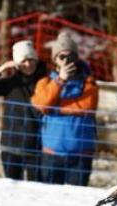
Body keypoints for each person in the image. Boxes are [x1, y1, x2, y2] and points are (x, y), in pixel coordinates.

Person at [0, 40, 47, 181]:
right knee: (12, 190)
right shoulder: (10, 83)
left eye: (31, 59)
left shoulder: (44, 82)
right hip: (11, 147)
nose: (28, 64)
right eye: (24, 60)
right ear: (17, 63)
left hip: (37, 148)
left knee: (38, 192)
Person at [31, 31, 98, 186]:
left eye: (71, 56)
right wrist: (60, 80)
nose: (67, 60)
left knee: (77, 200)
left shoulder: (88, 82)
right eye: (62, 57)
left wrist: (54, 108)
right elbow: (41, 105)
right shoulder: (45, 82)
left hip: (81, 154)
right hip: (52, 153)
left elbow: (86, 107)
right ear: (55, 60)